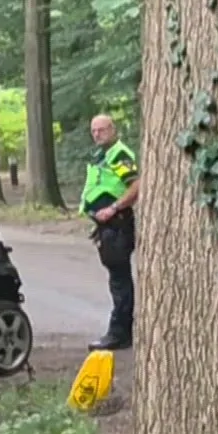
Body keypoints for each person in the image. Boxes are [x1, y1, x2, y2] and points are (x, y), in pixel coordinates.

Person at [80, 113, 138, 351]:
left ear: (113, 129)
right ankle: (122, 331)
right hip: (106, 227)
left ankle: (119, 333)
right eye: (94, 130)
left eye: (102, 129)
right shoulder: (101, 155)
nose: (97, 134)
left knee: (120, 280)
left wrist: (114, 208)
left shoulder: (119, 154)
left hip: (117, 224)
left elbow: (136, 185)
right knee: (117, 278)